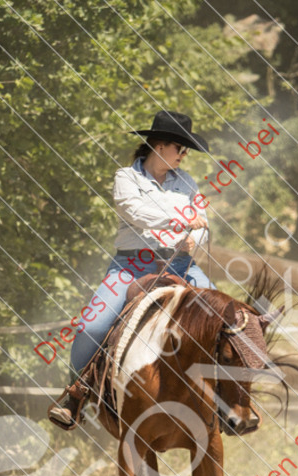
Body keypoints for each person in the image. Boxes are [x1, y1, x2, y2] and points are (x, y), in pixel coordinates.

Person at [48, 111, 214, 430]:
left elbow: (203, 224)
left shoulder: (188, 183)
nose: (184, 155)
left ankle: (223, 398)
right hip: (131, 266)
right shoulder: (127, 177)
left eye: (186, 150)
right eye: (180, 148)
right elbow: (135, 211)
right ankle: (76, 395)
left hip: (181, 263)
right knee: (92, 326)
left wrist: (195, 239)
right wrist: (181, 222)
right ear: (160, 146)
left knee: (221, 318)